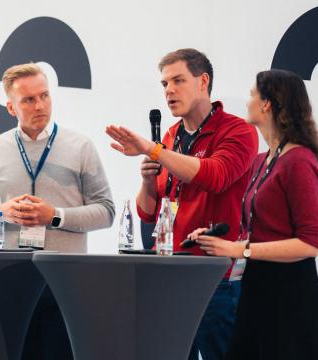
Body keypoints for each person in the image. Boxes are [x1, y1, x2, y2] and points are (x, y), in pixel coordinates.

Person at [105, 48, 258, 360]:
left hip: (217, 278)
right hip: (172, 273)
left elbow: (216, 176)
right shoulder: (171, 136)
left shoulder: (238, 130)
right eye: (164, 84)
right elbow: (148, 213)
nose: (169, 90)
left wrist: (154, 151)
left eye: (178, 80)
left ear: (203, 81)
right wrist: (148, 179)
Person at [0, 63, 114, 359]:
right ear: (10, 107)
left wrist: (55, 216)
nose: (39, 105)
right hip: (12, 280)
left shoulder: (80, 147)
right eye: (28, 100)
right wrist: (0, 213)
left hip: (66, 283)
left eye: (44, 96)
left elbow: (106, 211)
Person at [189, 69, 318, 360]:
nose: (248, 101)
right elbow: (260, 228)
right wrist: (216, 240)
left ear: (267, 104)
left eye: (253, 94)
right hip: (256, 289)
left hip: (290, 295)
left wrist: (240, 249)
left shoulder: (299, 161)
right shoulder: (262, 161)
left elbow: (311, 242)